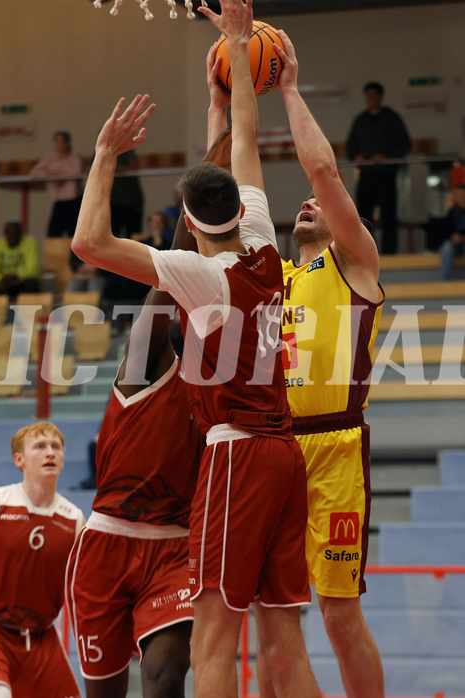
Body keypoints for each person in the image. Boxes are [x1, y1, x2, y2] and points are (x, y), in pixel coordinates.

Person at [71, 1, 319, 696]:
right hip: (284, 450)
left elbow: (89, 243)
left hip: (236, 451)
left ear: (186, 222)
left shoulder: (201, 275)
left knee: (214, 638)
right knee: (283, 633)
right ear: (240, 209)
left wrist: (103, 157)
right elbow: (246, 137)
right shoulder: (264, 243)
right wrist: (237, 54)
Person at [269, 32, 385, 698]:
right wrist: (220, 101)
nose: (307, 204)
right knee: (277, 617)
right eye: (301, 210)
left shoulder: (353, 266)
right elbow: (239, 188)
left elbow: (323, 175)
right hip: (273, 451)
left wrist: (286, 87)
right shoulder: (276, 275)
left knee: (339, 616)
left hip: (335, 447)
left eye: (320, 208)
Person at [0, 422, 85, 698]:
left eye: (56, 447)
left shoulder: (74, 519)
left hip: (41, 637)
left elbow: (91, 584)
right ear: (19, 460)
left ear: (64, 460)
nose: (50, 453)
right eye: (40, 447)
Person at [346, 81, 411, 255]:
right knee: (364, 217)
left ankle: (390, 254)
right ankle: (368, 253)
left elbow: (404, 144)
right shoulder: (360, 120)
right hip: (366, 175)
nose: (370, 99)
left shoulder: (392, 118)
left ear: (380, 97)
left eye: (374, 96)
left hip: (386, 174)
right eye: (368, 96)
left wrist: (386, 157)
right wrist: (356, 156)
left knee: (388, 216)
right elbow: (350, 146)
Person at [30, 130, 83, 237]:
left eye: (63, 142)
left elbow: (77, 171)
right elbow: (34, 172)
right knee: (53, 233)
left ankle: (73, 254)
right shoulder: (50, 158)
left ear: (68, 143)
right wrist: (51, 174)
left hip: (74, 201)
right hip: (59, 201)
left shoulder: (75, 156)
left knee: (74, 233)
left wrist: (62, 175)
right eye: (57, 142)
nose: (60, 145)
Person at [0, 218, 41, 298]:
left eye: (14, 232)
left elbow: (32, 269)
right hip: (2, 284)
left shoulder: (31, 243)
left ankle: (32, 310)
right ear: (4, 234)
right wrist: (0, 280)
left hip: (20, 283)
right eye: (8, 232)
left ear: (21, 233)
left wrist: (16, 276)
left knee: (31, 284)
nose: (11, 235)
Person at [110, 150, 145, 238]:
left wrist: (113, 167)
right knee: (115, 234)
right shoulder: (100, 151)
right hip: (114, 200)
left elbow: (133, 166)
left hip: (132, 199)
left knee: (134, 234)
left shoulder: (127, 149)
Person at [439, 183, 465, 280]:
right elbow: (446, 231)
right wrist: (453, 237)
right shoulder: (452, 212)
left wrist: (462, 238)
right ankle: (444, 282)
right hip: (454, 243)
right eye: (459, 196)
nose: (461, 198)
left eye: (463, 196)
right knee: (447, 248)